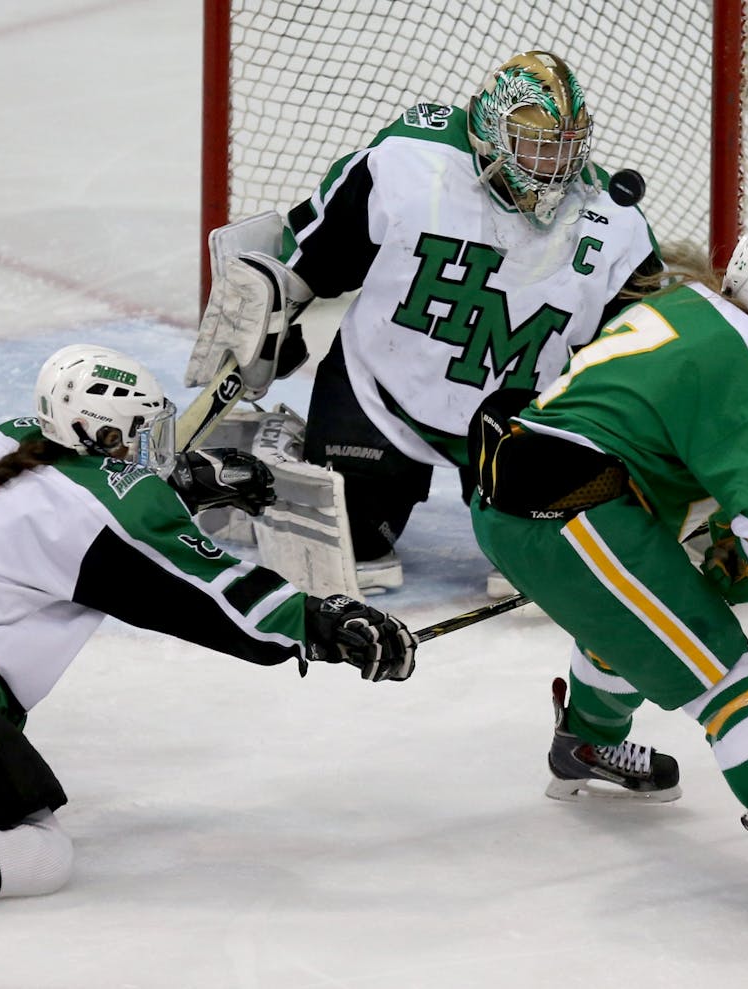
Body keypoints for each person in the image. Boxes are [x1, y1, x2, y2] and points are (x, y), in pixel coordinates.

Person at [0, 343, 417, 928]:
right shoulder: (110, 517)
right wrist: (317, 623)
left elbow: (84, 495)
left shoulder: (12, 437)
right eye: (140, 435)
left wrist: (173, 486)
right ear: (106, 439)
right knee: (40, 849)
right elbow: (207, 593)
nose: (151, 448)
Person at [467, 218, 748, 933]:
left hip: (508, 494)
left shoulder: (672, 306)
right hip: (575, 517)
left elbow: (650, 435)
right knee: (724, 672)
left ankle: (587, 743)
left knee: (634, 619)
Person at [229, 50, 663, 592]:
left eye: (565, 152)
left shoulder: (617, 225)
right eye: (535, 149)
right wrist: (270, 320)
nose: (552, 170)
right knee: (352, 545)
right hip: (380, 396)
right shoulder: (408, 164)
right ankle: (287, 455)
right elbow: (311, 256)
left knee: (537, 559)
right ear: (489, 133)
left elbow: (646, 355)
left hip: (516, 425)